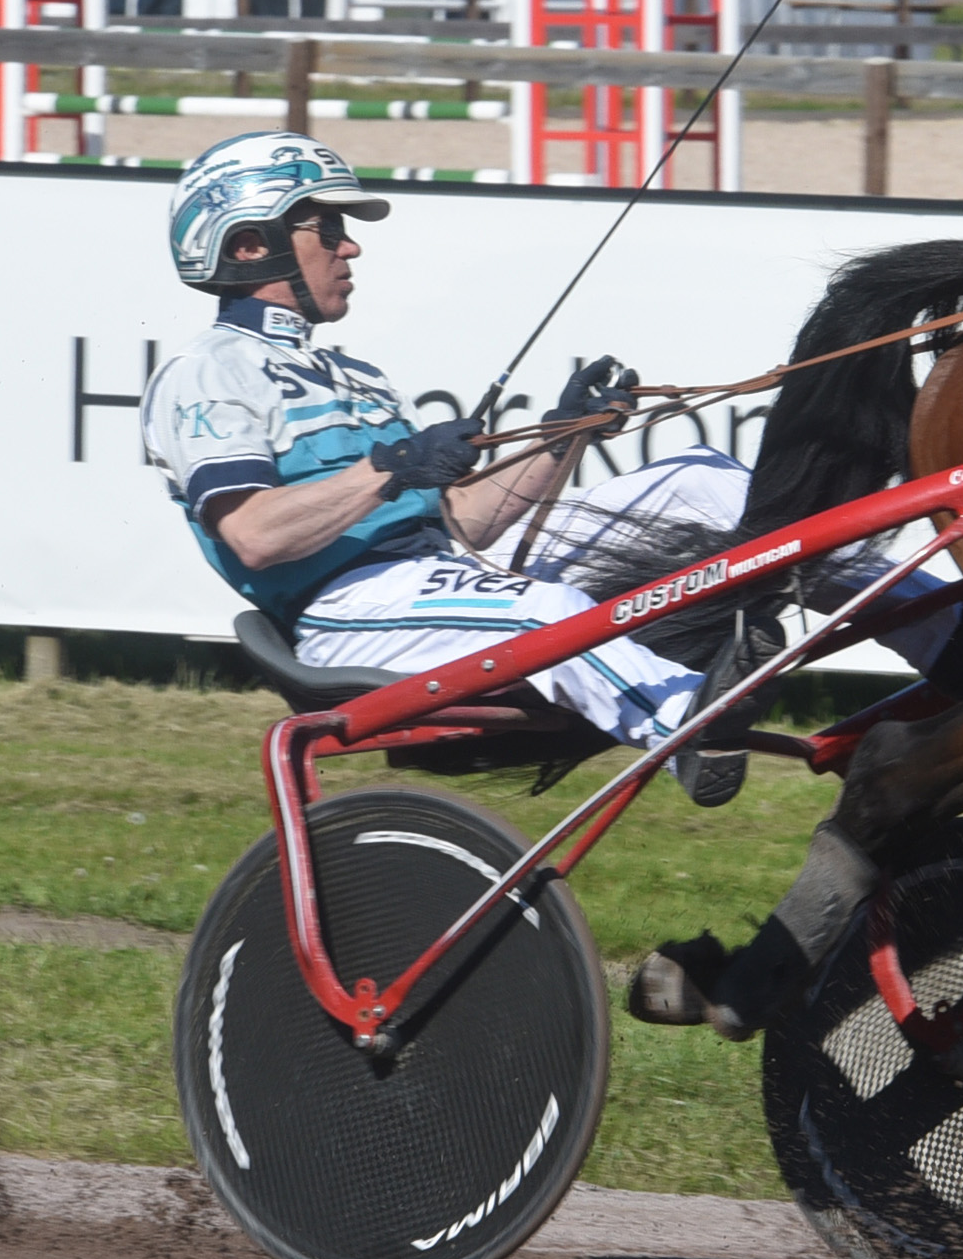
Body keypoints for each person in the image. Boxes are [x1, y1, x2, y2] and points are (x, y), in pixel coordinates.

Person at [136, 132, 905, 807]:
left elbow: (463, 526)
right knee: (547, 610)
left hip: (431, 571)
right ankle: (692, 726)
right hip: (340, 613)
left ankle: (941, 618)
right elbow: (254, 536)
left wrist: (562, 435)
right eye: (326, 226)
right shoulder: (208, 371)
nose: (350, 246)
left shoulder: (351, 371)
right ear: (247, 244)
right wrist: (393, 467)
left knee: (696, 477)